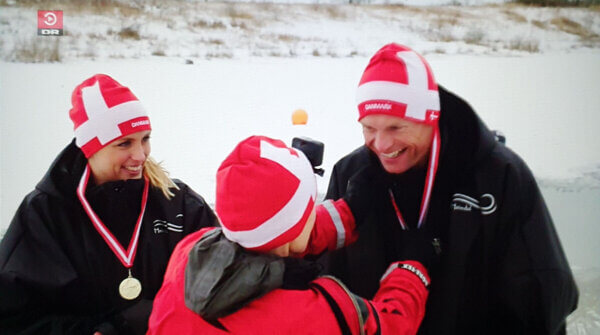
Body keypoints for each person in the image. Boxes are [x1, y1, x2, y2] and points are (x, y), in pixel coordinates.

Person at [321, 43, 579, 334]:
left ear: (430, 119)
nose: (381, 145)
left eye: (396, 128)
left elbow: (542, 296)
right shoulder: (350, 174)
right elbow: (327, 289)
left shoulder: (499, 176)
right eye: (369, 127)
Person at [0, 74, 218, 334]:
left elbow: (221, 284)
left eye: (145, 138)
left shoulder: (179, 203)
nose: (140, 155)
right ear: (90, 148)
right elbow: (14, 317)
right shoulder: (45, 213)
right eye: (124, 143)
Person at [148, 135, 431, 334]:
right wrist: (411, 267)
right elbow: (391, 325)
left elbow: (273, 231)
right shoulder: (321, 313)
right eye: (310, 208)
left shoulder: (189, 252)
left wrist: (349, 212)